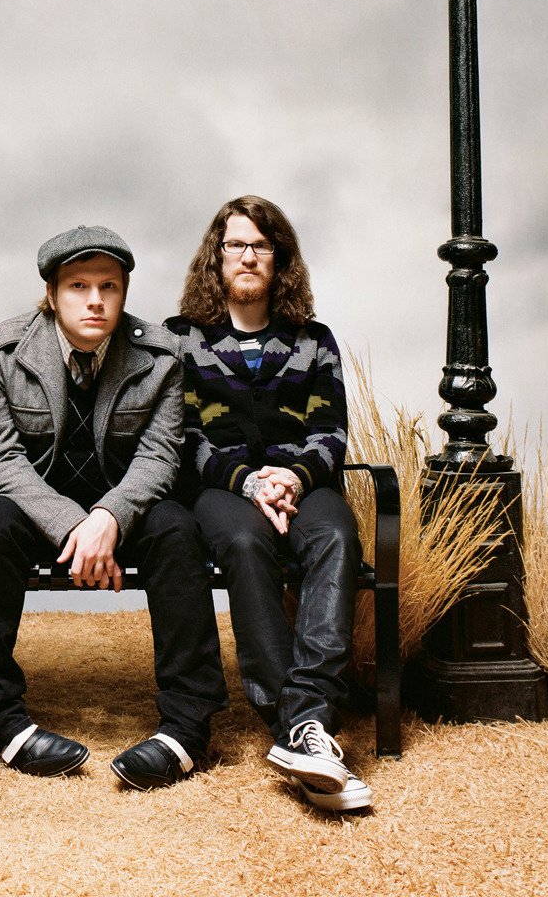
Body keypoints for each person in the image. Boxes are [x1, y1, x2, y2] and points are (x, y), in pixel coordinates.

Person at [0, 226, 228, 789]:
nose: (95, 300)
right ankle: (2, 722)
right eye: (78, 285)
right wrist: (73, 525)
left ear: (125, 293)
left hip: (121, 506)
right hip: (30, 505)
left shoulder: (160, 355)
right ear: (52, 294)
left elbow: (160, 457)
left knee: (177, 528)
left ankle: (186, 728)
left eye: (109, 286)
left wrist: (106, 518)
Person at [167, 195, 371, 812]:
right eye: (236, 244)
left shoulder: (314, 341)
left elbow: (331, 432)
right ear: (216, 256)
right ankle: (300, 727)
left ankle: (302, 719)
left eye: (261, 245)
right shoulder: (184, 341)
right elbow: (183, 436)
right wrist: (251, 484)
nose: (248, 256)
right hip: (222, 493)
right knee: (245, 542)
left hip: (304, 487)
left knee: (337, 536)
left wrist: (290, 478)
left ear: (280, 259)